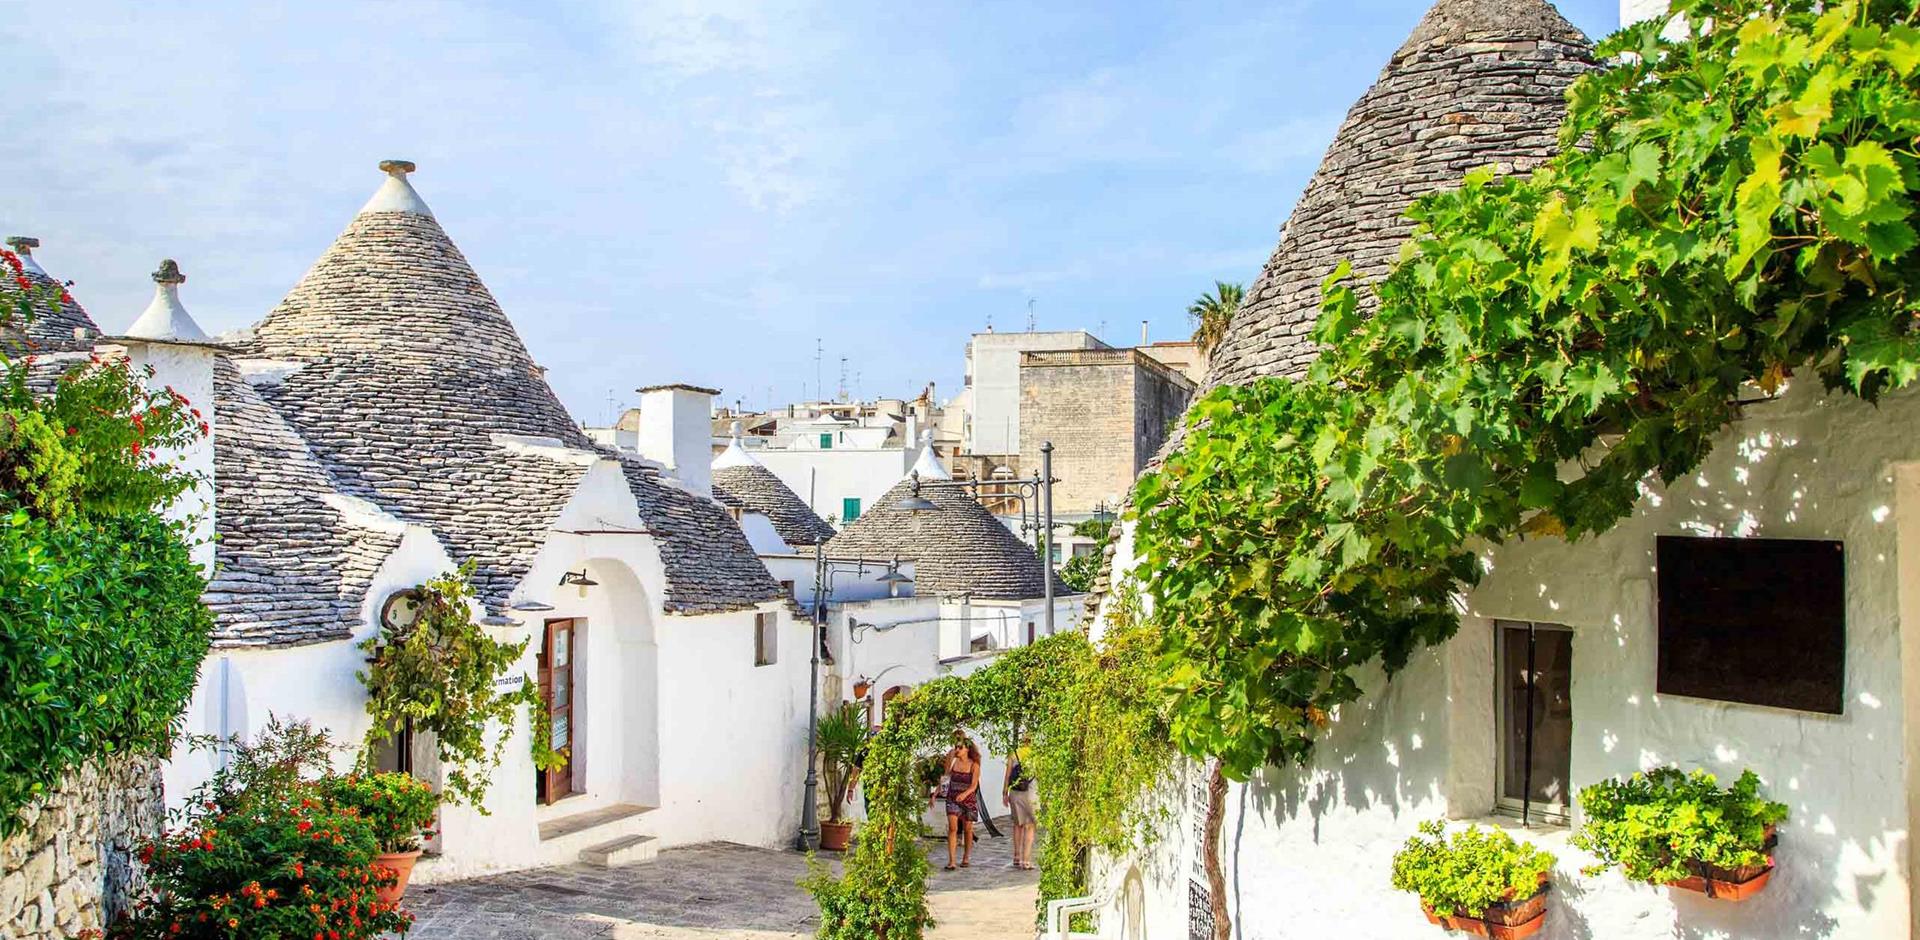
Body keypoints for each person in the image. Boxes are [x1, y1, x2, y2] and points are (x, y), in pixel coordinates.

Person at [942, 731, 979, 870]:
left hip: (968, 798)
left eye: (960, 744)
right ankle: (952, 861)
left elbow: (974, 784)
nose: (957, 748)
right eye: (955, 743)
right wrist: (939, 791)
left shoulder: (974, 764)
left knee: (968, 829)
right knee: (953, 828)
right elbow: (946, 775)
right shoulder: (951, 756)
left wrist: (965, 794)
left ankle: (966, 857)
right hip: (952, 796)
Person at [1003, 733, 1036, 870]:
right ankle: (1026, 860)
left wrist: (1004, 792)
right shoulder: (1036, 755)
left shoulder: (1014, 754)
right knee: (1030, 826)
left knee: (1017, 825)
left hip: (1015, 793)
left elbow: (1008, 775)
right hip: (1031, 793)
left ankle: (1016, 857)